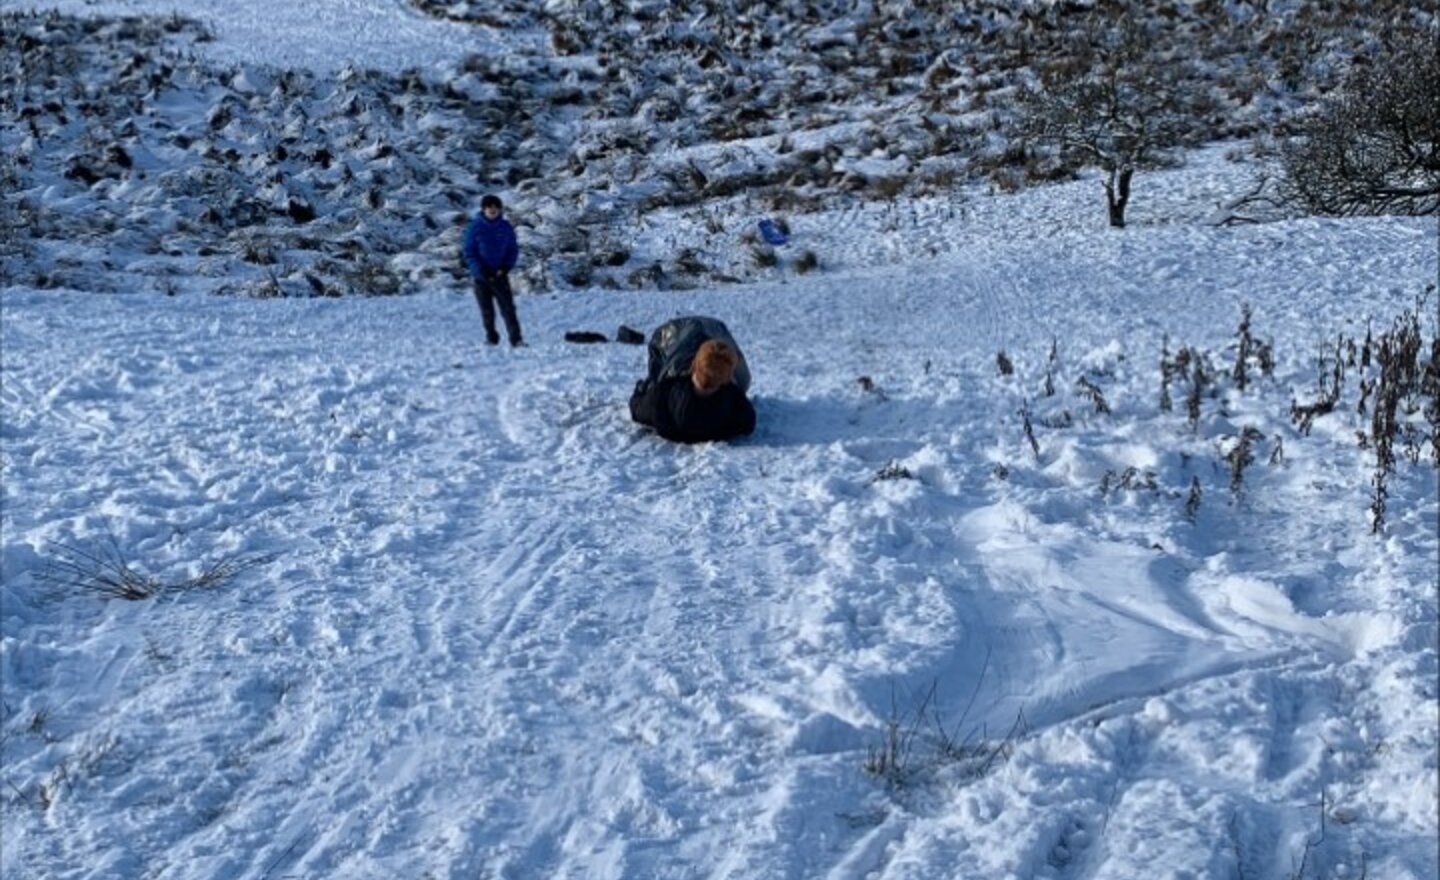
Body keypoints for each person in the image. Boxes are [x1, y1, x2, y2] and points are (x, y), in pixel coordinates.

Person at [629, 316, 756, 443]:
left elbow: (637, 408)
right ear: (727, 379)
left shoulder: (663, 396)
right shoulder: (736, 406)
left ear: (693, 365)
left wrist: (641, 389)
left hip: (681, 334)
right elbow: (749, 422)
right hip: (712, 328)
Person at [462, 194, 523, 347]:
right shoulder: (474, 227)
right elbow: (469, 253)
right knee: (487, 311)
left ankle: (516, 340)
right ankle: (491, 338)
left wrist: (506, 267)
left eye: (495, 207)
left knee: (508, 309)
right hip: (481, 278)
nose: (492, 209)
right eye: (489, 207)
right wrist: (480, 271)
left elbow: (512, 249)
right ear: (483, 209)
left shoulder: (506, 226)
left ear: (500, 208)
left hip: (500, 275)